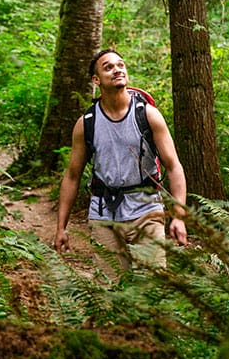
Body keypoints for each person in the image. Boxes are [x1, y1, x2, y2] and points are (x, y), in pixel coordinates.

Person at [53, 48, 188, 270]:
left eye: (121, 65)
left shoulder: (147, 114)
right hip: (103, 215)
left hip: (146, 210)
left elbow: (174, 166)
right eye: (108, 67)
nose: (117, 70)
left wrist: (179, 217)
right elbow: (72, 176)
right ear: (96, 80)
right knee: (110, 293)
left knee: (152, 288)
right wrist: (61, 228)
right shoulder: (86, 123)